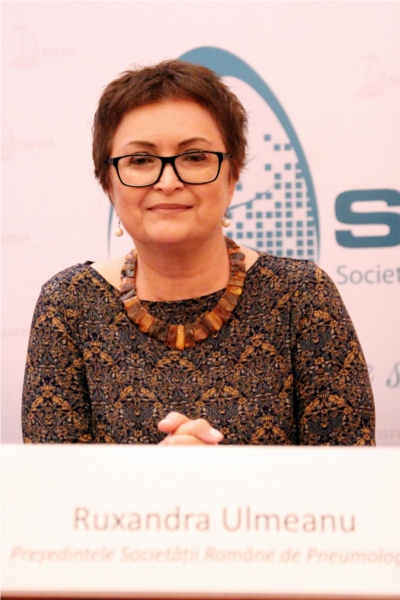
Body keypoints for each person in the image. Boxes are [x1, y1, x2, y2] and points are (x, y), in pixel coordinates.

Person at [22, 60, 375, 445]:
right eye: (140, 160)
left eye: (194, 157)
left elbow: (349, 474)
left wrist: (215, 476)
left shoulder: (302, 294)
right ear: (108, 183)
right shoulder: (69, 304)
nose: (168, 181)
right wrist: (162, 474)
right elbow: (52, 479)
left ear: (232, 177)